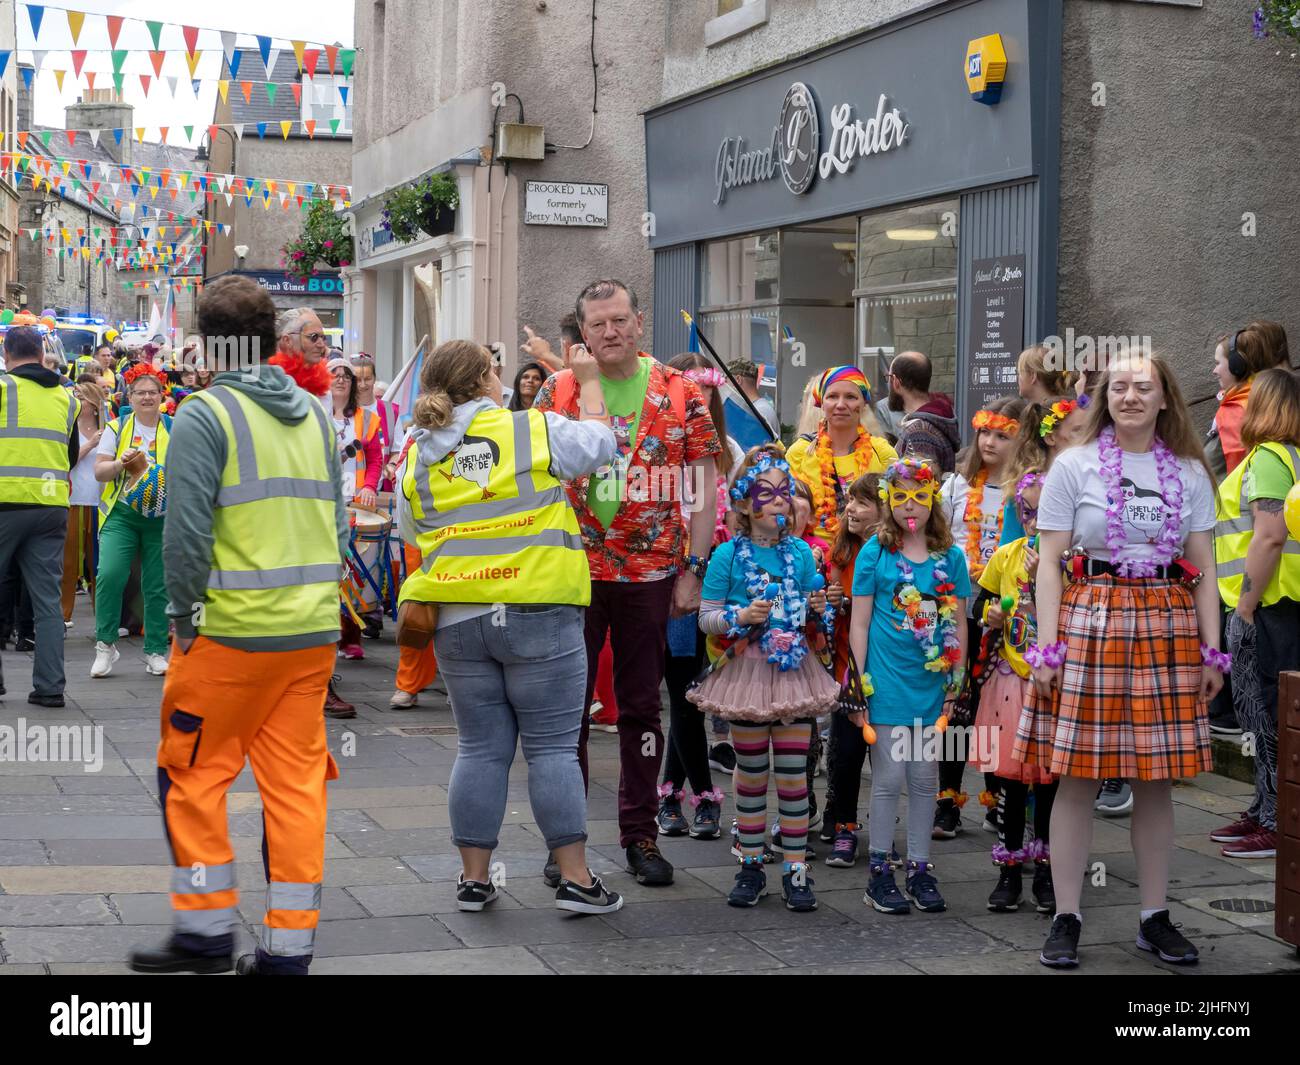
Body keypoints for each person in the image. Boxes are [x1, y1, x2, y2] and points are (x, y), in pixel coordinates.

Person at [127, 276, 350, 976]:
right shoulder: (315, 414)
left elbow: (186, 534)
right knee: (296, 789)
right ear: (268, 336)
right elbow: (337, 522)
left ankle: (205, 930)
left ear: (209, 340)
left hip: (228, 636)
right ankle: (287, 955)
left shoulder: (203, 415)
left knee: (190, 778)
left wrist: (182, 617)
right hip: (311, 636)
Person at [397, 339, 625, 914]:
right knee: (550, 751)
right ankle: (576, 882)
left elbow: (410, 532)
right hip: (537, 609)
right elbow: (603, 444)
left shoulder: (418, 454)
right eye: (494, 369)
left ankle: (474, 881)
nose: (502, 376)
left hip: (457, 617)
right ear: (483, 379)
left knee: (478, 750)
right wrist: (588, 381)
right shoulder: (531, 430)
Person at [1018, 346, 1221, 969]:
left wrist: (1214, 652)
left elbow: (1206, 569)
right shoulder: (1074, 466)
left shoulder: (1187, 473)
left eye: (1144, 387)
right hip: (1090, 618)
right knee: (1076, 778)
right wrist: (1047, 647)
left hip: (1166, 623)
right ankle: (1068, 916)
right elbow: (1049, 564)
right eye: (1119, 387)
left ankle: (1153, 916)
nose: (1130, 396)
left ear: (1165, 398)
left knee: (1157, 782)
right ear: (1104, 398)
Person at [534, 278, 722, 887]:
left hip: (651, 574)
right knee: (567, 712)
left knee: (643, 708)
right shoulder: (557, 392)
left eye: (619, 321)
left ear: (639, 321)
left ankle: (640, 835)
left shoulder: (681, 391)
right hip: (571, 571)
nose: (609, 333)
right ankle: (566, 843)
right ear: (581, 333)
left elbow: (701, 485)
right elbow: (533, 478)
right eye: (597, 325)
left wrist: (695, 568)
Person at [690, 445, 839, 910]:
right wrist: (739, 614)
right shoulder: (726, 557)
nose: (779, 501)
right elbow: (706, 617)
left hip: (794, 671)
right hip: (747, 673)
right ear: (741, 503)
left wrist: (821, 608)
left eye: (785, 492)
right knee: (751, 775)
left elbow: (818, 612)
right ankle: (750, 864)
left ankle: (796, 868)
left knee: (795, 777)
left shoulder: (802, 553)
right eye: (766, 492)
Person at [850, 457, 970, 915]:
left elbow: (958, 620)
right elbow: (859, 623)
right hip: (886, 680)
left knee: (924, 777)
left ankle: (920, 868)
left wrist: (957, 677)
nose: (909, 506)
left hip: (932, 681)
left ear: (932, 497)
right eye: (899, 497)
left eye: (918, 496)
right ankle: (879, 873)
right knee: (889, 778)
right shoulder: (875, 553)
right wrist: (861, 681)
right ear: (887, 501)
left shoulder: (950, 557)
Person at [1213, 367, 1300, 860]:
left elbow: (1269, 534)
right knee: (1267, 711)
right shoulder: (1292, 457)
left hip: (1263, 607)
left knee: (1262, 713)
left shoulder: (1266, 458)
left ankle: (1273, 818)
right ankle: (1265, 804)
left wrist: (1244, 604)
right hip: (1283, 604)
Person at [934, 395, 1025, 839]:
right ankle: (948, 798)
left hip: (1004, 612)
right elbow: (939, 539)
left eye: (1003, 435)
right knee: (957, 705)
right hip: (961, 608)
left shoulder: (1027, 489)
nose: (990, 442)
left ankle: (998, 799)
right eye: (985, 432)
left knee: (997, 711)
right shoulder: (957, 486)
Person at [969, 470, 1057, 913]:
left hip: (1054, 684)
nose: (1035, 521)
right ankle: (1008, 870)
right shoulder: (1005, 556)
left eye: (1045, 512)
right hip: (1009, 681)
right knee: (1011, 779)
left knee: (1049, 784)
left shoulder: (1069, 561)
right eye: (1027, 512)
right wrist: (992, 616)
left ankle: (1046, 870)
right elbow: (977, 605)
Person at [0, 326, 80, 707]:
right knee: (47, 600)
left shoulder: (2, 388)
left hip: (5, 502)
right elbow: (70, 455)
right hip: (50, 508)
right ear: (41, 353)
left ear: (7, 354)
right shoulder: (68, 400)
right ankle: (50, 688)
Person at [90, 364, 172, 678]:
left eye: (152, 392)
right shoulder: (117, 427)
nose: (147, 397)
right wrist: (120, 463)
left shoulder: (174, 427)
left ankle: (154, 650)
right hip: (121, 514)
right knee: (109, 575)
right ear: (130, 396)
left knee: (156, 585)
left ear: (161, 395)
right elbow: (99, 472)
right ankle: (105, 645)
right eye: (140, 392)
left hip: (161, 518)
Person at [821, 474, 880, 866]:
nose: (851, 510)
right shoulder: (838, 554)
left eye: (862, 502)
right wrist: (832, 602)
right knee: (845, 756)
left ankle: (881, 833)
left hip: (889, 671)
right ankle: (844, 827)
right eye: (849, 503)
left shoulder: (894, 553)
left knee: (888, 760)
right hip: (848, 669)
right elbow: (826, 616)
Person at [786, 365, 896, 539]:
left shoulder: (882, 452)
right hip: (812, 556)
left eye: (851, 397)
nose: (841, 404)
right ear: (822, 403)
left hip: (869, 555)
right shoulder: (799, 452)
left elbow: (895, 509)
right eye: (832, 396)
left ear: (863, 404)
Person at [328, 357, 383, 660]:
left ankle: (351, 635)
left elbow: (375, 459)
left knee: (352, 571)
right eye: (334, 375)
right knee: (329, 570)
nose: (341, 380)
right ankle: (328, 633)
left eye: (346, 376)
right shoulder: (313, 414)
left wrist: (369, 486)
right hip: (323, 503)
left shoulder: (366, 418)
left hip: (355, 503)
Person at [63, 377, 106, 623]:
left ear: (93, 403)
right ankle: (63, 615)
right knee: (68, 563)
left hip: (99, 503)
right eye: (75, 397)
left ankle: (103, 615)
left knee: (99, 566)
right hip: (73, 499)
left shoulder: (108, 428)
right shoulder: (70, 428)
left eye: (81, 397)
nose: (77, 401)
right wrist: (90, 444)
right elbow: (68, 461)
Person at [1206, 327, 1274, 479]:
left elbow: (1237, 474)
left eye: (1218, 363)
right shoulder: (1264, 398)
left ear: (1236, 366)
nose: (1214, 370)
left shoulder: (1236, 410)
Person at [890, 351, 961, 476]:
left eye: (889, 377)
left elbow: (917, 486)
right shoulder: (930, 421)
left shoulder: (920, 433)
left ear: (896, 382)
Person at [271, 307, 332, 396]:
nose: (321, 345)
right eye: (313, 337)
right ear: (287, 340)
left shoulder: (324, 388)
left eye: (323, 337)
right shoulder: (269, 381)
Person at [723, 358, 779, 451]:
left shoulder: (760, 411)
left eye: (726, 380)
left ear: (738, 380)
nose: (725, 385)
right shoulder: (758, 409)